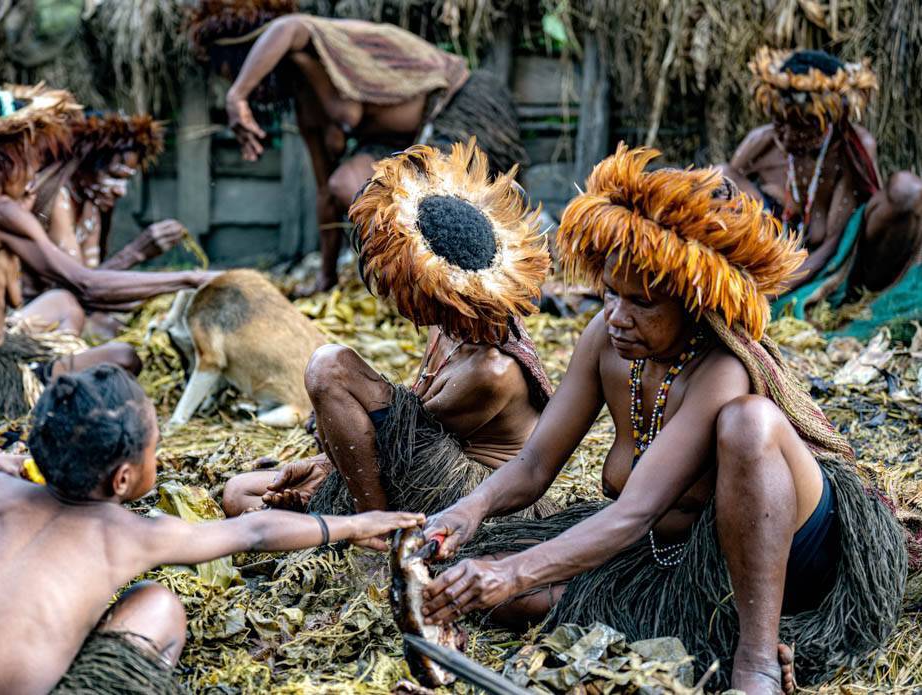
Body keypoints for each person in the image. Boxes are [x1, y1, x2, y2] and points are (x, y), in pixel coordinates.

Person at [417, 146, 907, 694]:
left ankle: (758, 659)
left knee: (750, 422)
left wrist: (512, 570)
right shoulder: (606, 338)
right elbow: (534, 464)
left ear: (693, 303)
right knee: (489, 594)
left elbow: (633, 513)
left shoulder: (720, 368)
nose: (617, 316)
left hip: (788, 564)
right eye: (609, 294)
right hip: (672, 567)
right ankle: (702, 633)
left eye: (643, 303)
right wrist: (467, 510)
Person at [0, 363, 423, 694]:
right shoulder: (130, 534)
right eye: (153, 447)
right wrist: (350, 524)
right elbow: (254, 533)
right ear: (122, 478)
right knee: (158, 605)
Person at [223, 141, 553, 520]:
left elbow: (398, 443)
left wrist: (327, 461)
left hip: (469, 497)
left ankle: (371, 531)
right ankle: (351, 519)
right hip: (420, 463)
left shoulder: (490, 372)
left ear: (434, 290)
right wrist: (324, 464)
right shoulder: (449, 328)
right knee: (239, 494)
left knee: (330, 368)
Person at [0, 85, 214, 421]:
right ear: (9, 153)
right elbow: (88, 286)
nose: (36, 164)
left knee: (62, 303)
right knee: (124, 356)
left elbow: (15, 294)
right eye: (30, 152)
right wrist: (190, 279)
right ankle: (46, 397)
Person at [190, 0, 528, 295]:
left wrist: (238, 97)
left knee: (447, 202)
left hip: (457, 106)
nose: (231, 82)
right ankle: (414, 279)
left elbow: (290, 27)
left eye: (232, 72)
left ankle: (466, 280)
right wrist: (326, 277)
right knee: (348, 185)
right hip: (398, 142)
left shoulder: (325, 41)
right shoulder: (306, 105)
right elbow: (326, 192)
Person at [722, 48, 922, 319]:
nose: (789, 135)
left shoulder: (850, 151)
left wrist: (771, 289)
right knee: (720, 176)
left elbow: (832, 246)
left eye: (802, 126)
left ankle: (853, 301)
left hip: (839, 264)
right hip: (775, 252)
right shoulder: (763, 143)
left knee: (906, 190)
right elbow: (724, 192)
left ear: (829, 119)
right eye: (781, 122)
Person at [27, 110, 187, 338]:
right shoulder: (58, 200)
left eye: (126, 180)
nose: (121, 191)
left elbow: (93, 278)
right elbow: (83, 286)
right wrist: (136, 252)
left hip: (73, 307)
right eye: (114, 176)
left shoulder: (91, 204)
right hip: (35, 314)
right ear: (83, 167)